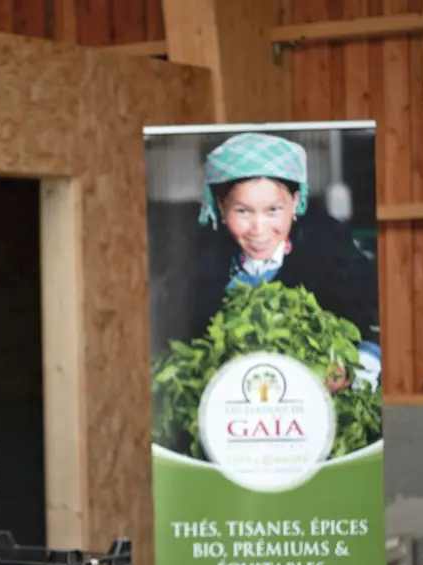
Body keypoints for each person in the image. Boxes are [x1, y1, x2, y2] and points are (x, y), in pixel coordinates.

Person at [148, 131, 381, 390]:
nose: (258, 229)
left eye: (273, 210)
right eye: (243, 211)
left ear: (294, 203)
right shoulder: (197, 264)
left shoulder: (330, 250)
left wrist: (351, 371)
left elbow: (375, 326)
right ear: (221, 209)